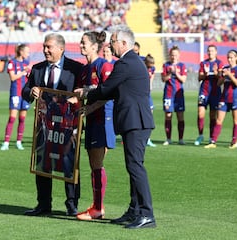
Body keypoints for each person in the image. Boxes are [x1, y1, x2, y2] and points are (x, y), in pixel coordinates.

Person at [76, 25, 156, 229]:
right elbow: (112, 91)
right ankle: (134, 210)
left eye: (113, 41)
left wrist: (86, 93)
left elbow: (106, 88)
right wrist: (92, 92)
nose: (110, 45)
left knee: (135, 166)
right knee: (133, 166)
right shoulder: (130, 62)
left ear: (124, 43)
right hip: (135, 121)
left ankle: (146, 214)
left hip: (135, 121)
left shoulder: (126, 63)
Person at [22, 33, 83, 216]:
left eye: (49, 47)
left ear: (61, 48)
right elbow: (26, 90)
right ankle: (43, 204)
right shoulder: (38, 68)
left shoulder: (76, 69)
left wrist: (76, 99)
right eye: (44, 46)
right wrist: (31, 90)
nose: (45, 50)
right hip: (44, 125)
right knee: (42, 162)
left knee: (69, 164)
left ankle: (72, 206)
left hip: (68, 125)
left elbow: (83, 94)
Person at [73, 31, 116, 221]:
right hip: (90, 120)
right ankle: (96, 206)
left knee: (97, 163)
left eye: (83, 42)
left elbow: (108, 93)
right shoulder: (84, 70)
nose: (80, 45)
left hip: (103, 119)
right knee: (93, 163)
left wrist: (90, 108)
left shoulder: (104, 65)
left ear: (93, 46)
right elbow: (81, 95)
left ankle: (98, 208)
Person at [204, 50, 237, 149]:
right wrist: (222, 75)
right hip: (224, 98)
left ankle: (233, 142)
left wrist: (230, 75)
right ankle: (213, 141)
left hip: (235, 97)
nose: (230, 59)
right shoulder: (225, 68)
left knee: (236, 120)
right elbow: (219, 84)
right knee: (219, 120)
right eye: (228, 57)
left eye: (231, 57)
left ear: (236, 58)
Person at [0, 44, 31, 151]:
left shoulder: (26, 63)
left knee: (22, 119)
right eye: (27, 51)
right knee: (12, 118)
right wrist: (23, 72)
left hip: (25, 94)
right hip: (15, 94)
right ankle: (6, 142)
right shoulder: (12, 63)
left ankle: (18, 142)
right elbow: (13, 77)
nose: (28, 54)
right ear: (21, 52)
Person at [195, 45, 224, 145]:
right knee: (200, 112)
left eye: (212, 51)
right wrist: (205, 74)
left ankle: (212, 137)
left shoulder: (220, 63)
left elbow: (221, 77)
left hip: (215, 92)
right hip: (204, 91)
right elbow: (199, 78)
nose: (210, 52)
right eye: (209, 51)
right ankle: (200, 135)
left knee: (213, 115)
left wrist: (216, 73)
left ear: (216, 52)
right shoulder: (204, 63)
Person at [161, 45, 187, 145]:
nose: (173, 57)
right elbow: (163, 79)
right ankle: (168, 139)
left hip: (178, 95)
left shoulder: (182, 66)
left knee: (180, 116)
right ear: (170, 55)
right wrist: (170, 73)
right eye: (172, 55)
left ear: (179, 55)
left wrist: (176, 73)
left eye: (175, 55)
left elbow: (183, 79)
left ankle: (180, 139)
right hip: (168, 94)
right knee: (168, 115)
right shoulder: (166, 65)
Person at [144, 54, 157, 147]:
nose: (152, 65)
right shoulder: (141, 67)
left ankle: (148, 138)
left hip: (147, 94)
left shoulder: (152, 69)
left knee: (150, 115)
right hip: (141, 94)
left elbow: (151, 79)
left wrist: (150, 85)